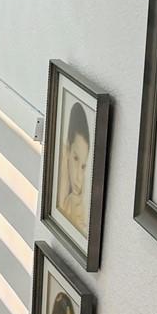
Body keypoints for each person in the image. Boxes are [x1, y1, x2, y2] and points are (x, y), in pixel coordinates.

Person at [55, 101, 91, 236]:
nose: (78, 177)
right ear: (68, 149)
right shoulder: (59, 167)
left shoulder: (79, 200)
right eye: (76, 158)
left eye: (83, 166)